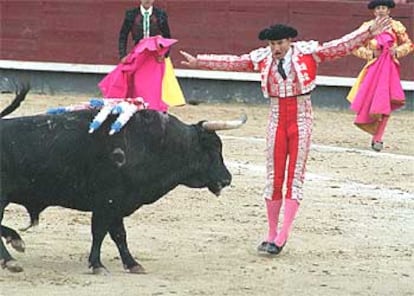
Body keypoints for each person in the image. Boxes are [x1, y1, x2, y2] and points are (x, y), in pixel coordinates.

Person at [180, 18, 390, 255]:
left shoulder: (309, 52)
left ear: (290, 41)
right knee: (274, 177)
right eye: (272, 44)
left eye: (279, 43)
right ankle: (271, 232)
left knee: (294, 176)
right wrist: (200, 62)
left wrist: (367, 32)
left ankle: (283, 234)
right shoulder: (264, 58)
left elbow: (339, 46)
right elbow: (235, 62)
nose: (276, 48)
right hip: (276, 118)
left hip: (301, 119)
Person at [347, 0, 413, 152]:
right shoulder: (367, 27)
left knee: (385, 104)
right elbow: (354, 46)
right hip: (373, 69)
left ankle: (378, 138)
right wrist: (370, 54)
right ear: (374, 11)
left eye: (384, 7)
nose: (381, 10)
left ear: (389, 10)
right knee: (372, 102)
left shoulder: (397, 27)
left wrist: (396, 51)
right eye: (378, 8)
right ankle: (374, 133)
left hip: (390, 69)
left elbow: (409, 44)